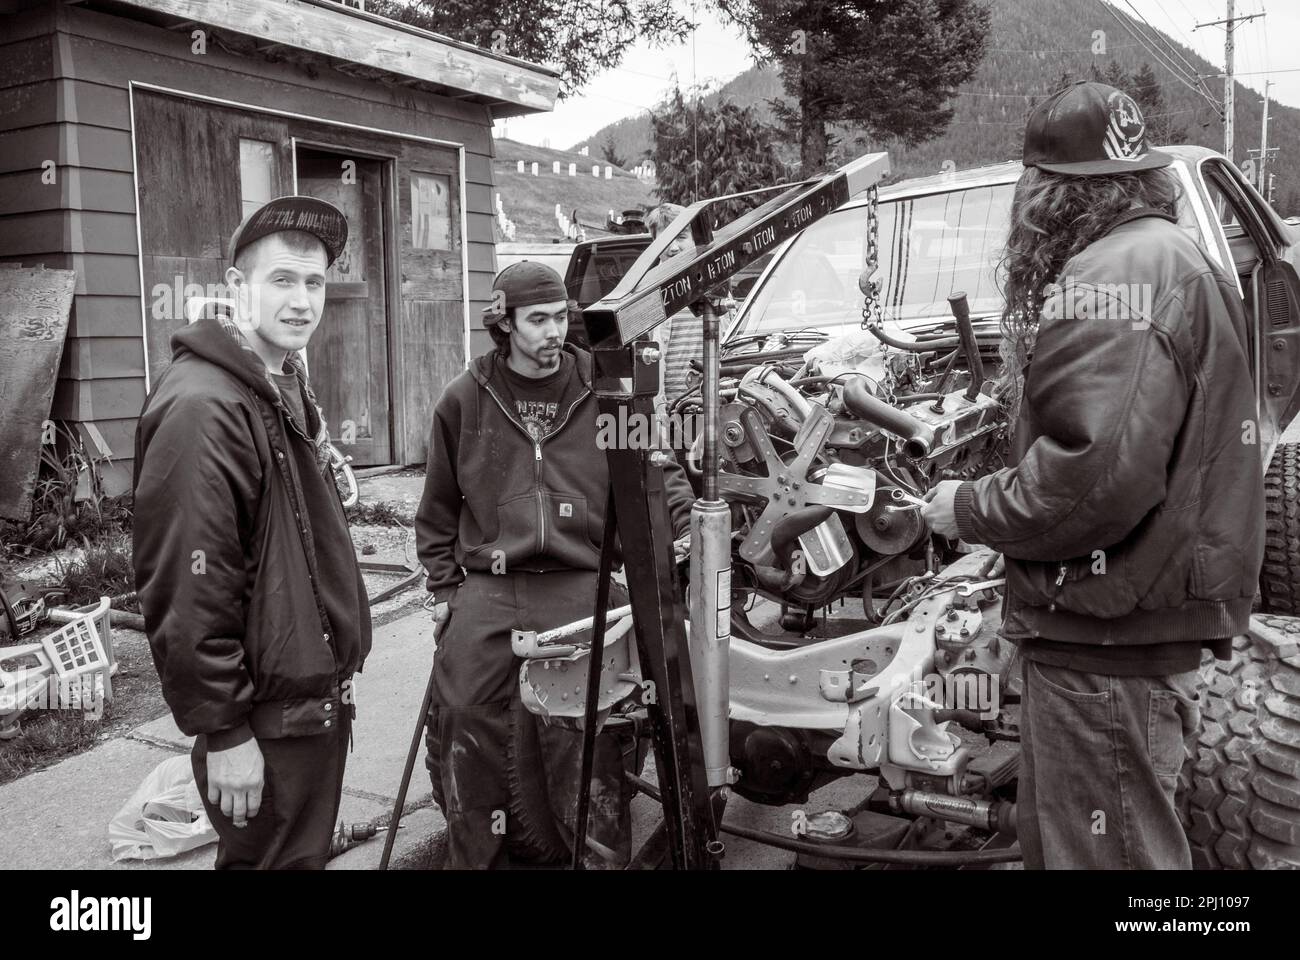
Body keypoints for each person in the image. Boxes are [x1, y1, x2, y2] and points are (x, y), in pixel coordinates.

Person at [921, 81, 1263, 869]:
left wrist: (967, 508)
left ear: (1052, 191)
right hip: (1135, 624)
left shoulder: (1116, 276)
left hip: (1107, 639)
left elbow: (1094, 477)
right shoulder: (1166, 255)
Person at [415, 260, 695, 869]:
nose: (552, 331)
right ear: (504, 324)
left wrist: (688, 534)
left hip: (585, 582)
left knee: (597, 722)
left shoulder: (608, 391)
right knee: (463, 708)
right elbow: (436, 511)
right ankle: (479, 856)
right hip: (491, 585)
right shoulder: (464, 400)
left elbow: (658, 475)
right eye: (536, 319)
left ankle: (592, 858)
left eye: (559, 318)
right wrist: (443, 591)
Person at [133, 196, 371, 869]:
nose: (302, 301)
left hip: (304, 710)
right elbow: (188, 585)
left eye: (315, 282)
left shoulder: (278, 381)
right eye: (282, 280)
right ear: (237, 288)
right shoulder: (206, 407)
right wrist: (226, 731)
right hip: (265, 724)